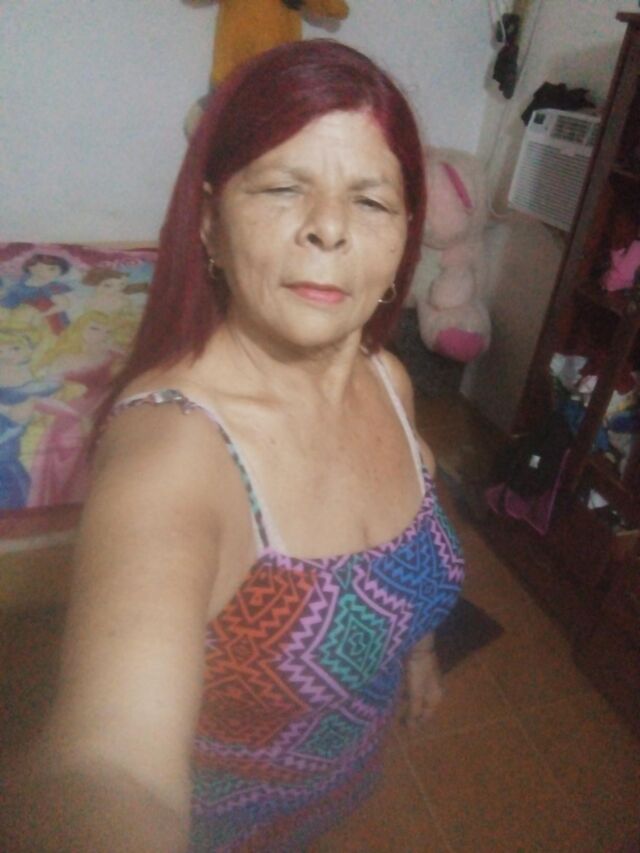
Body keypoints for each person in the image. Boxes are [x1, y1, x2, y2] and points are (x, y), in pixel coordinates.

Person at [2, 39, 464, 852]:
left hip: (340, 788)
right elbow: (111, 766)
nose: (329, 228)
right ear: (210, 223)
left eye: (371, 201)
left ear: (404, 240)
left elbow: (410, 564)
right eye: (283, 188)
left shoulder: (388, 380)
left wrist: (417, 651)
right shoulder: (175, 455)